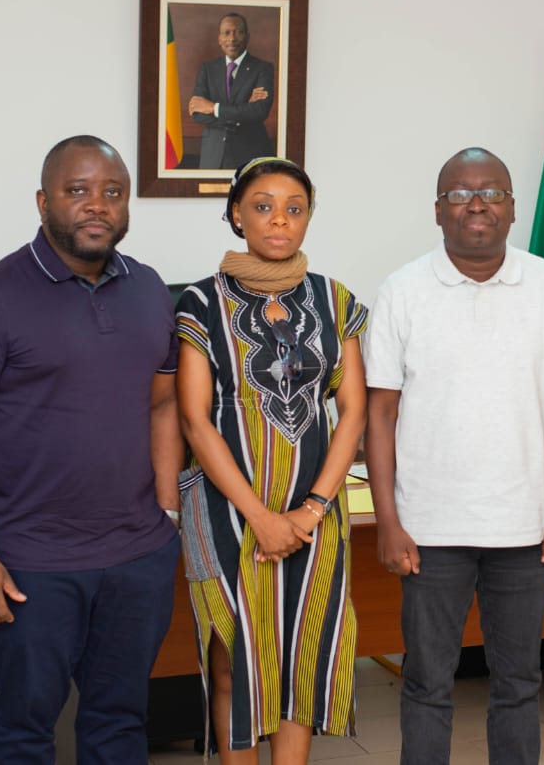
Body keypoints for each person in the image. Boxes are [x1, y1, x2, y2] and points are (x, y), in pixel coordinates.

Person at [0, 135, 182, 764]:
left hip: (135, 557)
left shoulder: (150, 290)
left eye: (112, 193)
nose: (96, 205)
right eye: (77, 191)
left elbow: (163, 405)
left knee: (120, 724)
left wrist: (168, 514)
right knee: (25, 730)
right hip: (30, 563)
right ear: (44, 201)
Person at [363, 147, 544, 764]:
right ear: (438, 211)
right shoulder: (402, 290)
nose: (477, 205)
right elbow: (379, 412)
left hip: (525, 529)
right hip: (429, 530)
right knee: (426, 684)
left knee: (519, 684)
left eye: (491, 193)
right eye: (462, 194)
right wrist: (388, 520)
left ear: (513, 208)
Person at [175, 157, 367, 764]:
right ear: (236, 214)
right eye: (262, 205)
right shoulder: (201, 302)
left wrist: (310, 512)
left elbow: (354, 412)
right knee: (235, 658)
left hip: (316, 515)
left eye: (294, 207)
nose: (279, 220)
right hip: (226, 510)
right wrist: (260, 515)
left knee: (299, 660)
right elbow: (193, 420)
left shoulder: (335, 300)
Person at [189, 13, 276, 169]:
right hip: (213, 155)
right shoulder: (207, 69)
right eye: (226, 33)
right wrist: (242, 110)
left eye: (238, 32)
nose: (232, 38)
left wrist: (213, 108)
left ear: (247, 36)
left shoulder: (262, 68)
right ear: (219, 38)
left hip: (250, 152)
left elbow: (259, 111)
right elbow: (197, 112)